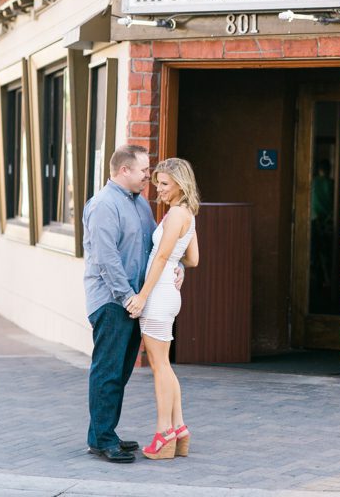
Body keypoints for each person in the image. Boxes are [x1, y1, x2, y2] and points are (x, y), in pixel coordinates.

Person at [82, 144, 182, 464]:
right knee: (108, 371)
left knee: (121, 371)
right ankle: (102, 439)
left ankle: (102, 433)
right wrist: (128, 298)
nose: (148, 178)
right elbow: (105, 259)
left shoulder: (140, 205)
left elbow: (156, 248)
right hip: (112, 302)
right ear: (124, 170)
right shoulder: (103, 205)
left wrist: (174, 269)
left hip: (134, 302)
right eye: (143, 171)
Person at [125, 158, 200, 460]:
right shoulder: (188, 215)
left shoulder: (175, 215)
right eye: (157, 184)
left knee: (160, 367)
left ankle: (164, 434)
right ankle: (179, 430)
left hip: (157, 296)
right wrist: (176, 266)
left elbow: (160, 257)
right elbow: (192, 259)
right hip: (168, 292)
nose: (159, 191)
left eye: (165, 184)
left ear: (181, 184)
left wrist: (142, 296)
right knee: (164, 365)